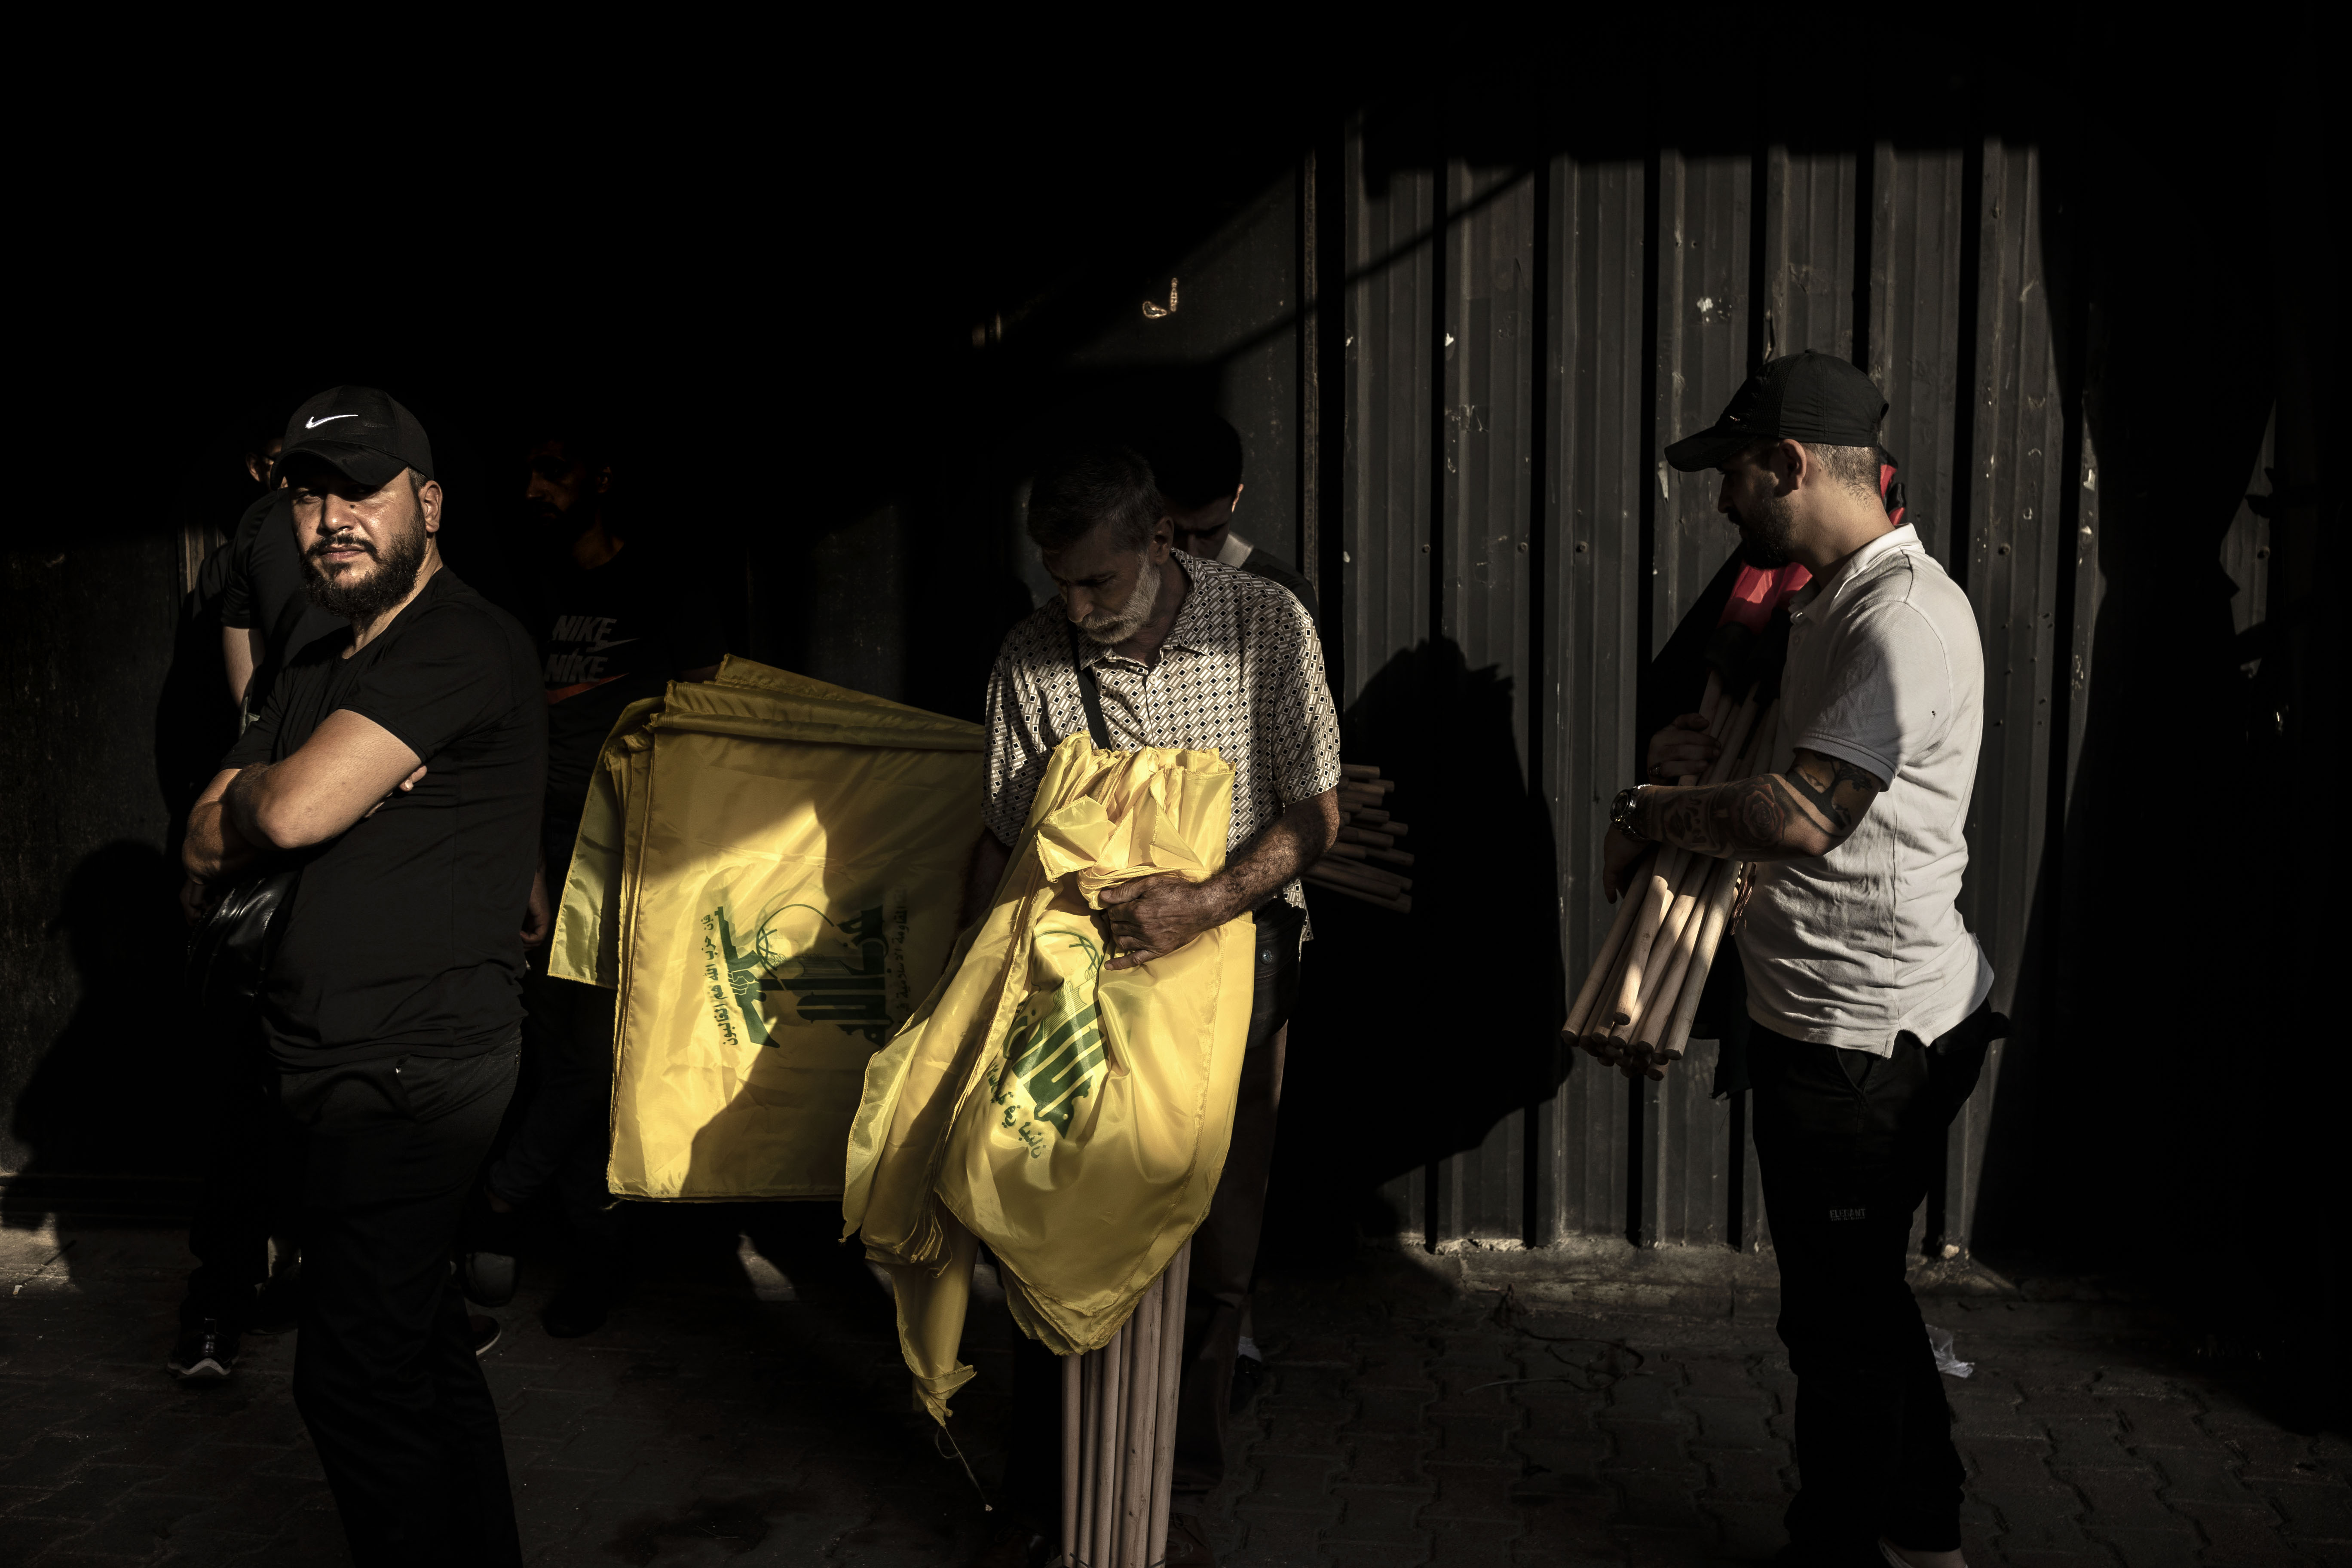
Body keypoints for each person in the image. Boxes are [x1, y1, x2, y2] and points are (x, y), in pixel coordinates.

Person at [1603, 352, 1998, 1568]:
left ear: (1787, 465)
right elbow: (1771, 776)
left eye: (1733, 477)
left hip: (1867, 1044)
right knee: (1855, 1304)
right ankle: (1925, 1530)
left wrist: (1648, 813)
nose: (1722, 504)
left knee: (1837, 1324)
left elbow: (1801, 817)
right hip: (1817, 1021)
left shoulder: (1902, 623)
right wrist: (1693, 760)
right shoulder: (1821, 602)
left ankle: (1836, 1545)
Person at [183, 385, 542, 1567]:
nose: (335, 517)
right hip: (322, 1056)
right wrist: (282, 793)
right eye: (309, 494)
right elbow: (208, 828)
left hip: (412, 1067)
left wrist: (283, 793)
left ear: (426, 505)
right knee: (418, 1342)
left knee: (351, 1383)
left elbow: (284, 812)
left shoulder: (459, 644)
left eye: (363, 491)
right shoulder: (313, 650)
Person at [974, 440, 1341, 1568]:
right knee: (1050, 1237)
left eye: (1100, 582)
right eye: (1057, 581)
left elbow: (1315, 813)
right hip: (1077, 987)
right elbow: (1002, 838)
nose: (1076, 608)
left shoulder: (1263, 625)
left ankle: (1168, 1496)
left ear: (1164, 543)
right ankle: (1050, 1499)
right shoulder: (1031, 657)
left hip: (1239, 973)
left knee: (1211, 1245)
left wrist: (1207, 902)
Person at [456, 423, 723, 1338]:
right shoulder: (525, 592)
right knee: (554, 1051)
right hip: (534, 845)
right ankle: (592, 1252)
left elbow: (713, 728)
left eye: (554, 470)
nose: (535, 488)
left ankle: (499, 1206)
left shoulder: (663, 587)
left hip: (632, 851)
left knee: (592, 1054)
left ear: (600, 479)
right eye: (525, 470)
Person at [1142, 407, 1318, 621]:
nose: (1191, 553)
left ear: (1236, 498)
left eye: (1209, 534)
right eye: (1173, 532)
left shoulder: (1283, 599)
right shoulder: (1116, 576)